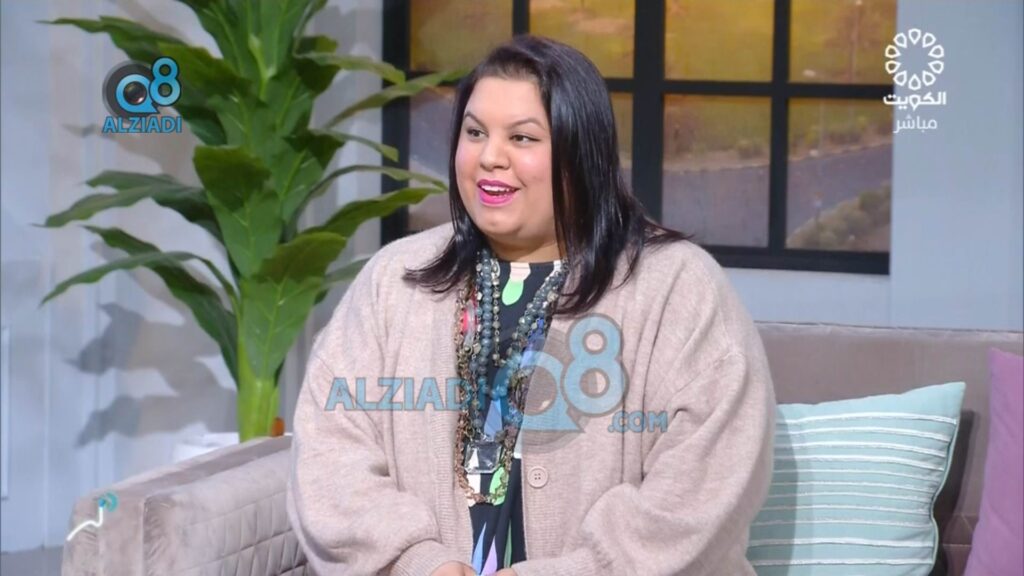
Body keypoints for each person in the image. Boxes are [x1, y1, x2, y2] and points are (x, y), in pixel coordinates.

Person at [286, 35, 776, 576]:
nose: (490, 158)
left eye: (522, 137)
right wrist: (420, 563)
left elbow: (702, 489)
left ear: (580, 153)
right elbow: (330, 456)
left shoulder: (679, 287)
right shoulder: (394, 279)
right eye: (475, 133)